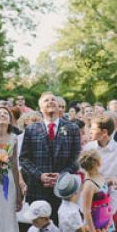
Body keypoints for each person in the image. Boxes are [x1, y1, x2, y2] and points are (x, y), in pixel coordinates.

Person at [20, 92, 81, 224]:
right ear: (40, 108)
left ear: (59, 105)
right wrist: (39, 175)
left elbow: (77, 158)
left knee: (62, 227)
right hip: (37, 188)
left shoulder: (72, 128)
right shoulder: (31, 129)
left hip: (63, 188)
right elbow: (24, 158)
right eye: (46, 100)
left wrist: (62, 175)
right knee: (40, 229)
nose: (51, 102)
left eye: (53, 99)